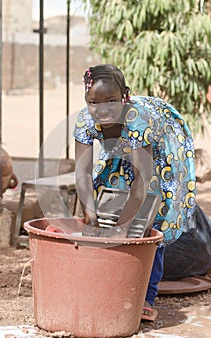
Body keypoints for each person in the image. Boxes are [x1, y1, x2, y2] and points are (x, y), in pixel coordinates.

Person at [74, 64, 196, 322]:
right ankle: (112, 284)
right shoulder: (86, 120)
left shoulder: (138, 119)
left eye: (111, 101)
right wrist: (91, 217)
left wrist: (126, 228)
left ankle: (146, 297)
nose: (102, 109)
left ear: (125, 97)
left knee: (153, 218)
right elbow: (82, 173)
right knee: (108, 200)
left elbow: (144, 181)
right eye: (93, 102)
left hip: (161, 144)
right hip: (123, 145)